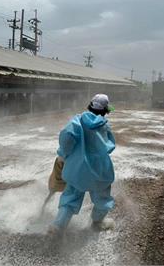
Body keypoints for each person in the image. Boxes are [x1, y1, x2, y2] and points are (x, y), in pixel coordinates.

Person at [49, 93, 116, 233]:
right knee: (102, 198)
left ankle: (58, 226)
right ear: (105, 110)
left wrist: (63, 155)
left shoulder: (76, 121)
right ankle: (98, 222)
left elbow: (67, 139)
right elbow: (110, 146)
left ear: (90, 105)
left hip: (77, 169)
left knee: (71, 196)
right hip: (99, 170)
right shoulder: (104, 125)